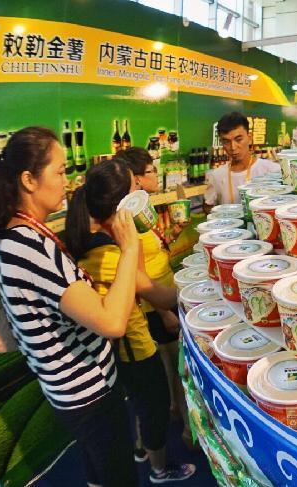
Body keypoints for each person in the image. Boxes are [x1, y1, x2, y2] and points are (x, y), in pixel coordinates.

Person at [0, 127, 139, 486]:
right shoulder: (28, 246)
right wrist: (129, 250)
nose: (67, 182)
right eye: (60, 171)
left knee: (100, 472)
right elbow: (113, 322)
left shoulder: (19, 236)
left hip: (71, 389)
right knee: (119, 476)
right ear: (29, 180)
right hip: (88, 392)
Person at [65, 159, 195, 484]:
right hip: (134, 347)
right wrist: (201, 288)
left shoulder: (98, 240)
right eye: (135, 187)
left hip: (123, 350)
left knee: (142, 402)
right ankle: (160, 470)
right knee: (155, 404)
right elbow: (158, 295)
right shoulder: (106, 255)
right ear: (122, 203)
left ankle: (143, 452)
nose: (141, 191)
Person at [118, 146, 192, 448]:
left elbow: (158, 248)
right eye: (150, 172)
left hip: (163, 295)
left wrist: (176, 226)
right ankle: (184, 428)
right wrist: (164, 311)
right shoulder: (124, 221)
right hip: (155, 306)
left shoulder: (138, 216)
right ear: (134, 179)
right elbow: (138, 275)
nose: (155, 176)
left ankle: (174, 413)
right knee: (173, 366)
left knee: (170, 364)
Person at [203, 111, 280, 209]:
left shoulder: (272, 171)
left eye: (238, 139)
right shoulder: (217, 175)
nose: (233, 147)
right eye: (226, 141)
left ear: (249, 138)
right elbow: (207, 205)